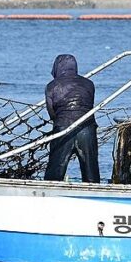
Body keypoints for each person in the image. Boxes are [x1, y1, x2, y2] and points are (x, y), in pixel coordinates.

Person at [44, 53, 101, 183]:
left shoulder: (51, 86)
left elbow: (51, 113)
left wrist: (60, 121)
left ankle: (50, 191)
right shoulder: (89, 84)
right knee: (90, 170)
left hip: (63, 128)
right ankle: (93, 191)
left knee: (56, 169)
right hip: (87, 129)